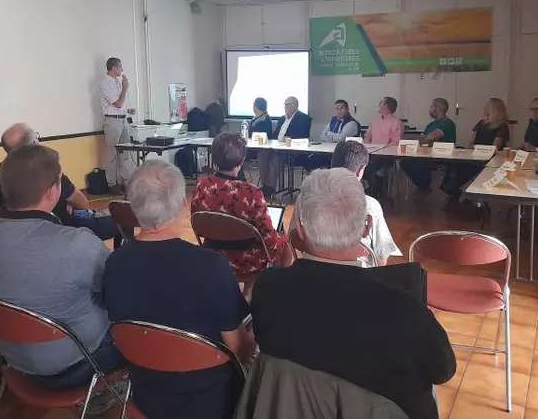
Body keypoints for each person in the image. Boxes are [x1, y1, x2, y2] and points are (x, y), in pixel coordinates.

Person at [251, 169, 456, 418]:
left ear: (300, 231)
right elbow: (443, 370)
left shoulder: (267, 289)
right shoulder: (405, 310)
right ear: (368, 227)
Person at [0, 144, 125, 390]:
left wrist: (18, 318)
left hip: (14, 361)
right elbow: (121, 301)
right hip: (82, 364)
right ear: (54, 190)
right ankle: (107, 393)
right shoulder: (78, 243)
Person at [103, 159, 254, 418]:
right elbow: (239, 349)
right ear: (182, 203)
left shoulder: (114, 263)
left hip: (147, 395)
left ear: (133, 206)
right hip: (212, 402)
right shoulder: (211, 266)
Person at [0, 123, 118, 241]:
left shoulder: (1, 170)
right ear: (33, 145)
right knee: (118, 222)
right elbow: (80, 202)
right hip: (59, 229)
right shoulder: (46, 168)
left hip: (13, 231)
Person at [192, 134, 289, 281]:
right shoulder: (251, 192)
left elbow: (198, 220)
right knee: (283, 236)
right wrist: (282, 242)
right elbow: (268, 236)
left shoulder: (201, 186)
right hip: (249, 261)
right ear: (242, 159)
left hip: (213, 255)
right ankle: (266, 290)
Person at [289, 141, 401, 266]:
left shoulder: (303, 199)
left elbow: (292, 238)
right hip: (359, 278)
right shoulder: (370, 205)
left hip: (309, 273)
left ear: (332, 162)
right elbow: (382, 255)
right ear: (360, 170)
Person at [441, 98, 510, 201]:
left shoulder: (502, 127)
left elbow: (495, 147)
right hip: (475, 154)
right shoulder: (481, 123)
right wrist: (473, 149)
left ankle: (454, 188)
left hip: (489, 158)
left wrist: (479, 150)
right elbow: (472, 141)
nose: (484, 108)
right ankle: (450, 187)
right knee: (455, 161)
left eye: (487, 106)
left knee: (465, 167)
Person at [401, 98, 457, 196]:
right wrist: (426, 140)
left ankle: (424, 187)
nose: (430, 109)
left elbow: (429, 138)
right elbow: (422, 139)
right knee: (405, 162)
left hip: (442, 156)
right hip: (426, 153)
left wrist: (427, 140)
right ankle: (423, 185)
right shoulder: (432, 124)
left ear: (437, 108)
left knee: (423, 163)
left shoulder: (448, 124)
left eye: (431, 107)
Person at [99, 57, 136, 194]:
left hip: (123, 119)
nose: (122, 70)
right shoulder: (104, 83)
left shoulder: (118, 82)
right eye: (120, 67)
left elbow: (121, 106)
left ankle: (126, 182)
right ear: (114, 68)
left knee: (125, 152)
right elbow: (118, 103)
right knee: (112, 154)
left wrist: (128, 110)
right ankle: (112, 184)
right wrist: (125, 88)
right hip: (112, 121)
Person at [260, 97, 311, 194]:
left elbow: (303, 136)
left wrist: (286, 139)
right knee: (262, 155)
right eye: (285, 105)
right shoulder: (282, 118)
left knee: (276, 158)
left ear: (295, 106)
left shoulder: (303, 118)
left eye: (287, 105)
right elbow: (275, 135)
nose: (285, 108)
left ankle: (271, 188)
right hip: (277, 147)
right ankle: (265, 186)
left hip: (293, 152)